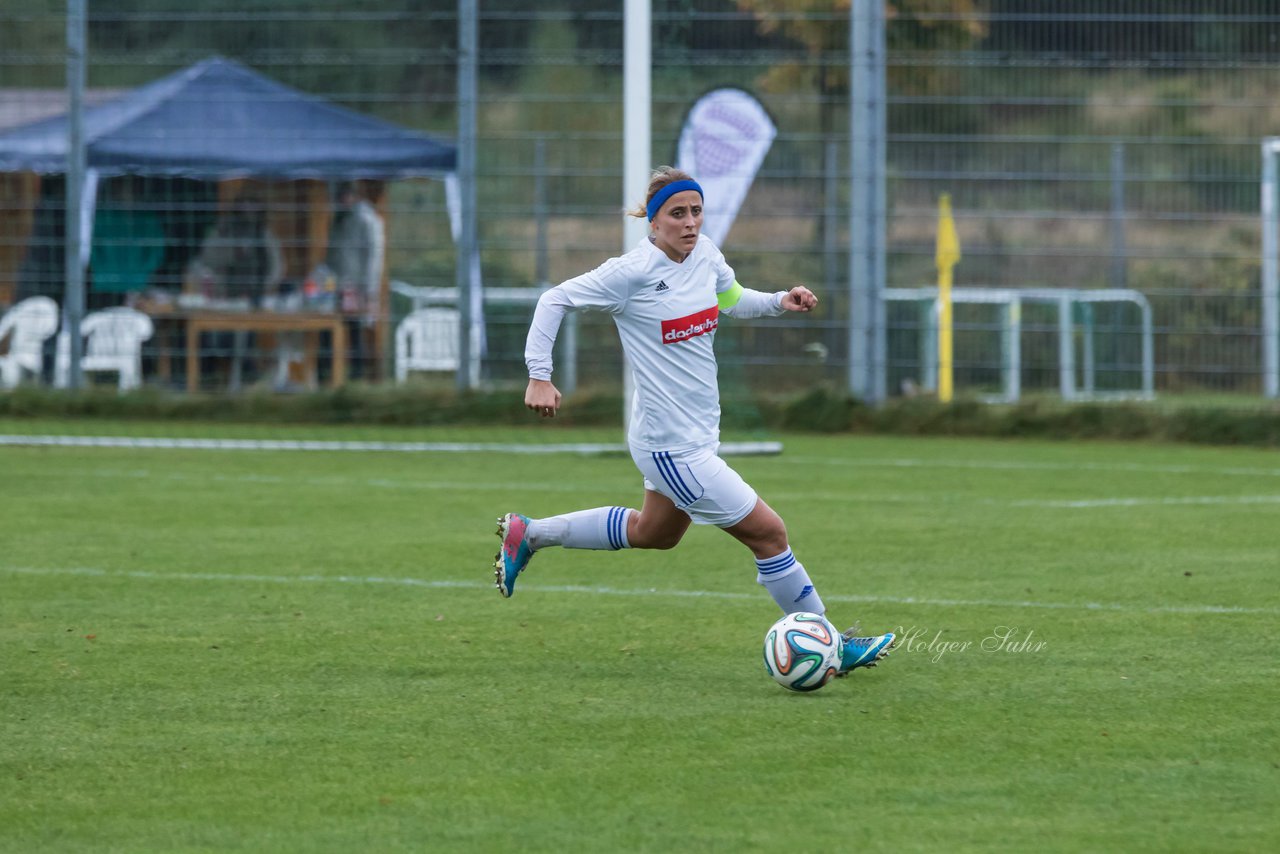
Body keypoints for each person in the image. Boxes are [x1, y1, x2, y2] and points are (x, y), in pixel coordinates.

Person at [493, 166, 896, 677]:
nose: (690, 223)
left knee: (656, 532)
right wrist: (539, 376)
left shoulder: (705, 255)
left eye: (696, 211)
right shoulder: (632, 272)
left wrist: (777, 302)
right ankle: (833, 644)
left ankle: (530, 534)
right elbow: (554, 300)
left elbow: (732, 301)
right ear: (654, 223)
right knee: (769, 533)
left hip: (695, 435)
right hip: (670, 445)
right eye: (677, 214)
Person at [325, 181, 385, 378]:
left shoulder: (367, 219)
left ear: (355, 195)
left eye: (345, 195)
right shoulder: (339, 219)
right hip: (337, 286)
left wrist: (369, 291)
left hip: (357, 288)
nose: (342, 200)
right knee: (331, 330)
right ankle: (328, 375)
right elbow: (332, 256)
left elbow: (373, 259)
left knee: (356, 332)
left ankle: (357, 377)